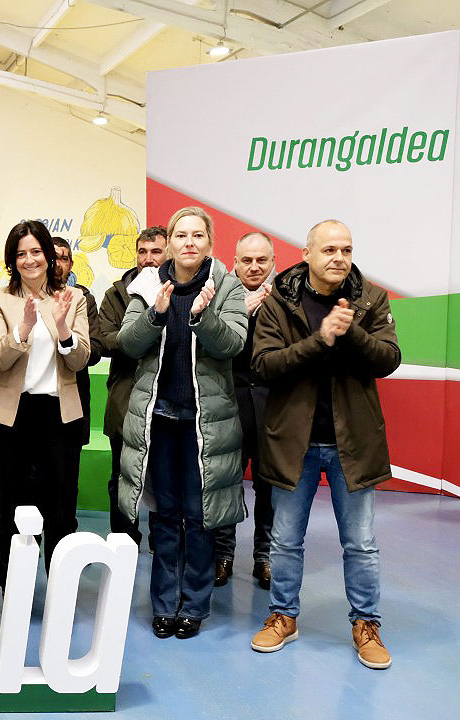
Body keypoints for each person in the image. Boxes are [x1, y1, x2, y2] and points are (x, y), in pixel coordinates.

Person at [250, 219, 400, 670]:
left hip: (353, 443)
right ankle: (283, 616)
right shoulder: (279, 302)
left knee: (361, 543)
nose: (339, 258)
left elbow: (389, 359)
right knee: (285, 540)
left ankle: (366, 624)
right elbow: (264, 365)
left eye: (346, 250)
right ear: (307, 254)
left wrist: (351, 332)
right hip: (293, 441)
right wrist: (321, 340)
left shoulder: (370, 299)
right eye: (330, 249)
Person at [116, 206, 247, 640]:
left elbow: (233, 344)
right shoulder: (148, 283)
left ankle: (193, 605)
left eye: (197, 235)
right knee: (165, 516)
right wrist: (155, 314)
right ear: (169, 242)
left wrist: (203, 317)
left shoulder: (226, 285)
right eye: (181, 235)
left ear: (210, 242)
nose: (189, 242)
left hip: (203, 424)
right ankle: (163, 605)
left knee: (200, 516)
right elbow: (128, 343)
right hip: (159, 420)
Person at [0, 221, 91, 586]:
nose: (29, 260)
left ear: (48, 255)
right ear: (12, 260)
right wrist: (24, 327)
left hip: (58, 416)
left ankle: (61, 586)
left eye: (36, 251)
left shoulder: (73, 298)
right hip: (10, 419)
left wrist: (62, 328)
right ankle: (13, 587)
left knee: (60, 509)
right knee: (12, 508)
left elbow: (80, 360)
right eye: (21, 254)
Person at [212, 232, 276, 589]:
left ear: (272, 263)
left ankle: (264, 557)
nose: (254, 267)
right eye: (246, 260)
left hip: (273, 412)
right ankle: (223, 556)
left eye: (261, 260)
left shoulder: (284, 300)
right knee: (225, 486)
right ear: (234, 262)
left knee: (270, 490)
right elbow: (210, 347)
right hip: (227, 407)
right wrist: (242, 312)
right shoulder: (219, 295)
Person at [99, 227, 167, 545]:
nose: (148, 259)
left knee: (164, 476)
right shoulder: (115, 295)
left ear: (168, 254)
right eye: (143, 252)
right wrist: (145, 335)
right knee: (122, 476)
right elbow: (106, 340)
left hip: (166, 399)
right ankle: (123, 540)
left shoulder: (181, 290)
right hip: (125, 399)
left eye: (156, 252)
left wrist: (131, 338)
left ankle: (161, 540)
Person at [51, 235, 104, 516]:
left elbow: (95, 350)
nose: (58, 263)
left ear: (71, 264)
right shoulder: (28, 297)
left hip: (72, 400)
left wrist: (67, 339)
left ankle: (65, 538)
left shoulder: (84, 299)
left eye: (64, 258)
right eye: (53, 257)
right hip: (33, 406)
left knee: (66, 481)